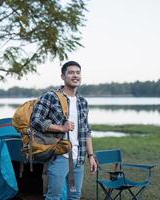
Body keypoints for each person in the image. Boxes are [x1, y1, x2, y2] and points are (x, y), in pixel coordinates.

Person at [30, 61, 98, 200]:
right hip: (59, 155)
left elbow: (86, 131)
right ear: (63, 76)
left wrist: (91, 156)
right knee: (53, 196)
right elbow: (35, 120)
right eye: (71, 72)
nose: (75, 75)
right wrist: (61, 127)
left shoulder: (82, 102)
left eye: (78, 72)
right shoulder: (51, 96)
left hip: (78, 157)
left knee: (75, 195)